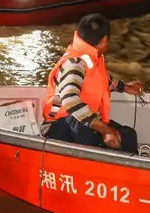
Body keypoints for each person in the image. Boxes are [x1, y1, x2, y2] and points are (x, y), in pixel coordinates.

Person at [43, 13, 144, 153]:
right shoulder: (75, 63)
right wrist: (104, 130)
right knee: (101, 141)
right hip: (61, 124)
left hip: (81, 119)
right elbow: (70, 99)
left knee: (128, 136)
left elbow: (101, 81)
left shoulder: (91, 57)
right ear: (104, 40)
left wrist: (126, 87)